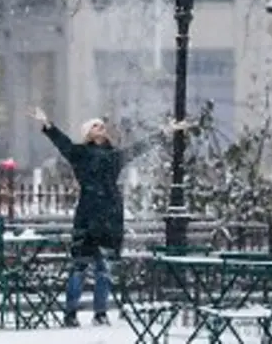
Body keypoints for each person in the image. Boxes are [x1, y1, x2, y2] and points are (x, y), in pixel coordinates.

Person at [28, 106, 186, 327]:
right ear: (87, 133)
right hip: (88, 214)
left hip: (110, 214)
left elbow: (138, 149)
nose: (101, 127)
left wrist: (165, 132)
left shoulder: (114, 156)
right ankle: (70, 312)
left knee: (105, 269)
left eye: (101, 125)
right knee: (79, 267)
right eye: (95, 125)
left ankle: (100, 312)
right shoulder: (80, 154)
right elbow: (62, 142)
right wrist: (47, 125)